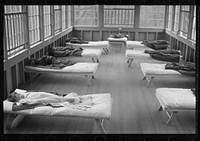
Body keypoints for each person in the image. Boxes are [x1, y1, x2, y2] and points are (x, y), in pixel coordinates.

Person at [7, 90, 93, 111]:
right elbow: (26, 103)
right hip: (43, 98)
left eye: (16, 94)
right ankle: (74, 100)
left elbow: (39, 93)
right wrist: (20, 101)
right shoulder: (23, 100)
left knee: (56, 97)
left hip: (44, 95)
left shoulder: (26, 93)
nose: (18, 96)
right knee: (58, 100)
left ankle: (73, 99)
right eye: (16, 97)